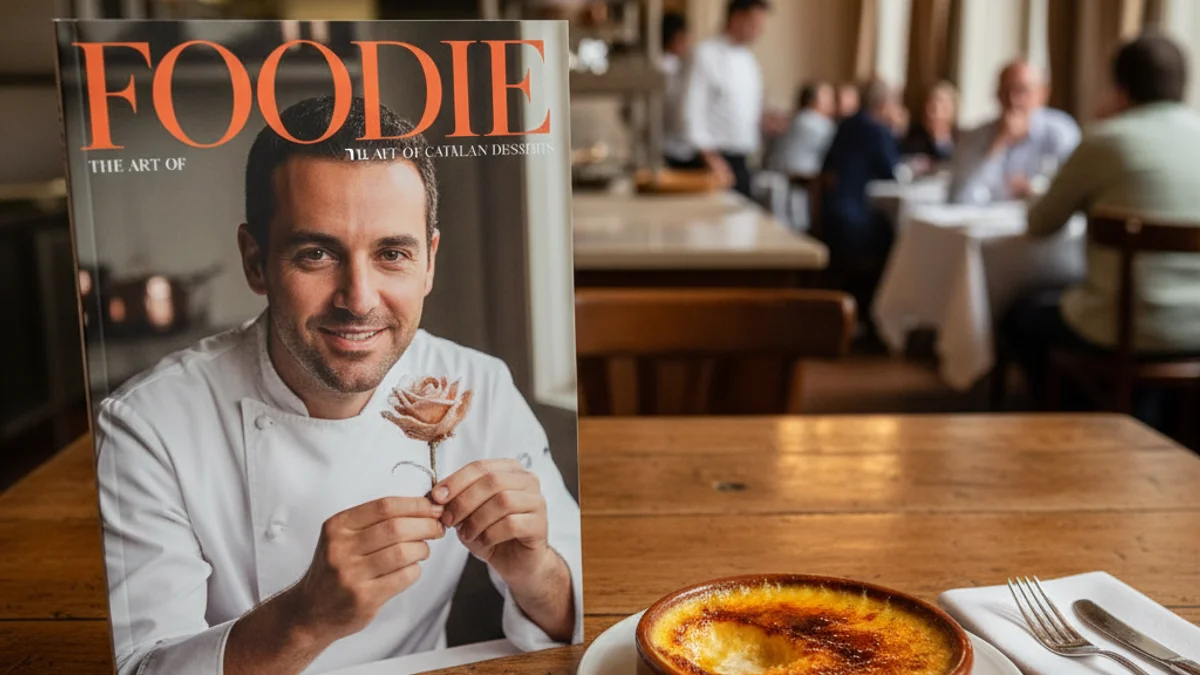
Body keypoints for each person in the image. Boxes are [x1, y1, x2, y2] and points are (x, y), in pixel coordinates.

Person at [94, 96, 583, 675]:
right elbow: (140, 667)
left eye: (392, 253)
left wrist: (535, 571)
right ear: (256, 262)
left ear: (428, 261)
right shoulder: (147, 425)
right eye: (316, 253)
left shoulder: (476, 385)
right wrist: (305, 617)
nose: (359, 300)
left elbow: (573, 619)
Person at [1001, 33, 1200, 405]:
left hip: (1122, 333)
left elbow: (1040, 223)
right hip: (1195, 331)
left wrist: (1103, 127)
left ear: (1120, 89)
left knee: (1020, 316)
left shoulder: (1106, 139)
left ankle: (1074, 422)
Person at [819, 78, 904, 341]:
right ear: (883, 104)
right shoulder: (877, 130)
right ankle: (879, 318)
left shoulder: (846, 125)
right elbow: (893, 173)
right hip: (855, 222)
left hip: (831, 215)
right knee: (900, 240)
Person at [947, 60, 1080, 204]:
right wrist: (997, 144)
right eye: (1006, 91)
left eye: (1022, 91)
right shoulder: (975, 137)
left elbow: (1076, 188)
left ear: (1043, 94)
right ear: (997, 94)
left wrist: (1034, 189)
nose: (1013, 100)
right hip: (988, 222)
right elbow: (957, 198)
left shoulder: (1061, 131)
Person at [681, 0, 770, 197]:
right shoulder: (705, 54)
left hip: (743, 159)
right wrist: (711, 158)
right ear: (737, 18)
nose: (759, 31)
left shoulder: (749, 61)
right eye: (755, 24)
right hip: (713, 160)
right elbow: (691, 111)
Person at [770, 81, 837, 177]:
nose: (831, 100)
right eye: (826, 96)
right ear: (813, 100)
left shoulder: (801, 118)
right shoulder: (811, 120)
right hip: (801, 176)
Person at [660, 12, 700, 169]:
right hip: (670, 147)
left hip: (675, 145)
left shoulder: (677, 65)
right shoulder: (667, 68)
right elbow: (677, 109)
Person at [899, 80, 959, 165]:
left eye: (941, 102)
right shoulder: (911, 138)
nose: (934, 110)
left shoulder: (960, 139)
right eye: (930, 102)